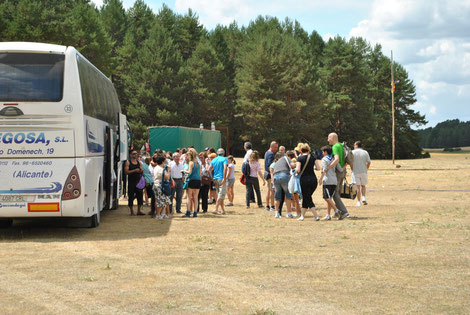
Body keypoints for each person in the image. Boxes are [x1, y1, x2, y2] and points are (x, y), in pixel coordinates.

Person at [327, 132, 350, 219]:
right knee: (338, 192)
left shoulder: (335, 147)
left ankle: (344, 212)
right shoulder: (341, 145)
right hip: (342, 171)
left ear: (332, 138)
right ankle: (336, 212)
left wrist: (328, 167)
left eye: (328, 138)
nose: (328, 140)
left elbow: (336, 159)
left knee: (334, 194)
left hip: (337, 172)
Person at [295, 144, 321, 221]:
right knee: (306, 197)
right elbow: (318, 168)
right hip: (313, 180)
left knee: (307, 198)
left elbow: (298, 170)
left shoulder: (300, 158)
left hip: (304, 180)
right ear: (308, 150)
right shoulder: (313, 157)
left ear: (300, 151)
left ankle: (316, 216)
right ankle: (302, 216)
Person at [318, 145, 342, 220]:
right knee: (329, 198)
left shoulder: (324, 159)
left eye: (322, 151)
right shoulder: (334, 159)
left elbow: (324, 169)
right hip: (334, 180)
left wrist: (320, 179)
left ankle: (337, 210)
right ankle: (328, 215)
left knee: (326, 197)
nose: (322, 153)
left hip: (327, 180)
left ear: (325, 152)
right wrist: (346, 164)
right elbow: (340, 169)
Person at [273, 151, 294, 218]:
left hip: (275, 176)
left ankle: (276, 213)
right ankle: (289, 213)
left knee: (277, 196)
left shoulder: (277, 162)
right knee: (288, 195)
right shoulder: (286, 158)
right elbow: (292, 165)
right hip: (284, 175)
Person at [124, 150, 145, 216]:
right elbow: (126, 172)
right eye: (134, 154)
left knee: (140, 196)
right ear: (130, 155)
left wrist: (141, 170)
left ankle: (139, 211)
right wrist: (134, 170)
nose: (135, 155)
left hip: (138, 182)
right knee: (131, 196)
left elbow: (142, 170)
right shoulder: (128, 163)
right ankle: (132, 211)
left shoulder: (139, 162)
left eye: (136, 153)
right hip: (131, 182)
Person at [182, 149, 201, 217]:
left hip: (192, 180)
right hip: (198, 180)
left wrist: (183, 170)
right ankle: (195, 213)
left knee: (189, 197)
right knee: (196, 197)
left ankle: (188, 212)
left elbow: (189, 172)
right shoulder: (198, 163)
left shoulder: (191, 162)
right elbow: (200, 173)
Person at [210, 148, 229, 215]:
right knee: (221, 195)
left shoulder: (214, 159)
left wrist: (212, 178)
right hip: (221, 178)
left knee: (219, 195)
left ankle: (223, 210)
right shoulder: (224, 159)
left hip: (215, 179)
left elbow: (208, 169)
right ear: (223, 153)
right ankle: (216, 208)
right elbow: (225, 168)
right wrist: (224, 178)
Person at [352, 141, 371, 206]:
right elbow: (368, 162)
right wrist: (366, 168)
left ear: (356, 145)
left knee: (357, 187)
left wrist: (352, 169)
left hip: (355, 171)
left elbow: (350, 162)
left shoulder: (352, 152)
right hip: (364, 171)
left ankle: (358, 201)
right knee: (363, 185)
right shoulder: (365, 152)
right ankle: (363, 197)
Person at [264, 141, 278, 211]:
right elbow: (269, 165)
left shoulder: (267, 152)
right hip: (270, 174)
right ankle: (272, 206)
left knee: (269, 190)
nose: (276, 149)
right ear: (271, 146)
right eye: (275, 147)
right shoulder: (271, 154)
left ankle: (267, 206)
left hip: (267, 173)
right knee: (272, 190)